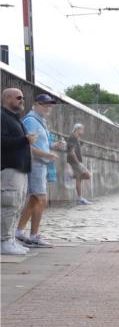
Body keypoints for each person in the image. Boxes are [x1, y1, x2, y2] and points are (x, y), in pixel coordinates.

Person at [15, 94, 65, 249]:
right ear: (35, 104)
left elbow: (40, 143)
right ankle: (34, 236)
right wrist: (47, 155)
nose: (48, 107)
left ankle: (19, 232)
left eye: (50, 105)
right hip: (35, 165)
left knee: (34, 200)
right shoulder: (31, 121)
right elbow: (27, 145)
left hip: (39, 165)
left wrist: (54, 145)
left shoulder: (38, 121)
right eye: (45, 105)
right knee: (41, 200)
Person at [1, 88, 35, 256]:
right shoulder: (2, 117)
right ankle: (3, 241)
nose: (22, 100)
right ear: (7, 99)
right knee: (9, 203)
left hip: (20, 169)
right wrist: (24, 140)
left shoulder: (14, 118)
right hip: (9, 169)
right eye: (18, 97)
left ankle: (10, 239)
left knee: (17, 204)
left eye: (22, 97)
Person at [65, 123, 92, 204]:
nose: (83, 131)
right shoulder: (72, 137)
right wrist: (78, 163)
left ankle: (79, 198)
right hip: (75, 162)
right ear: (77, 129)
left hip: (75, 162)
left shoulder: (76, 138)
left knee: (79, 179)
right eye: (82, 129)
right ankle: (69, 176)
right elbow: (71, 152)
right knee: (88, 175)